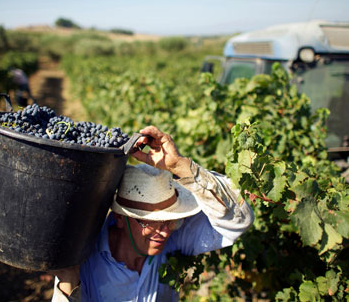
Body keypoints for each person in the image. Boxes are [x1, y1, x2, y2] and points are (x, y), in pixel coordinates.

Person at [51, 125, 254, 301]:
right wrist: (67, 283)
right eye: (151, 223)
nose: (165, 232)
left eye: (170, 221)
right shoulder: (85, 258)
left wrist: (180, 166)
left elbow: (239, 219)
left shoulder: (176, 239)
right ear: (120, 218)